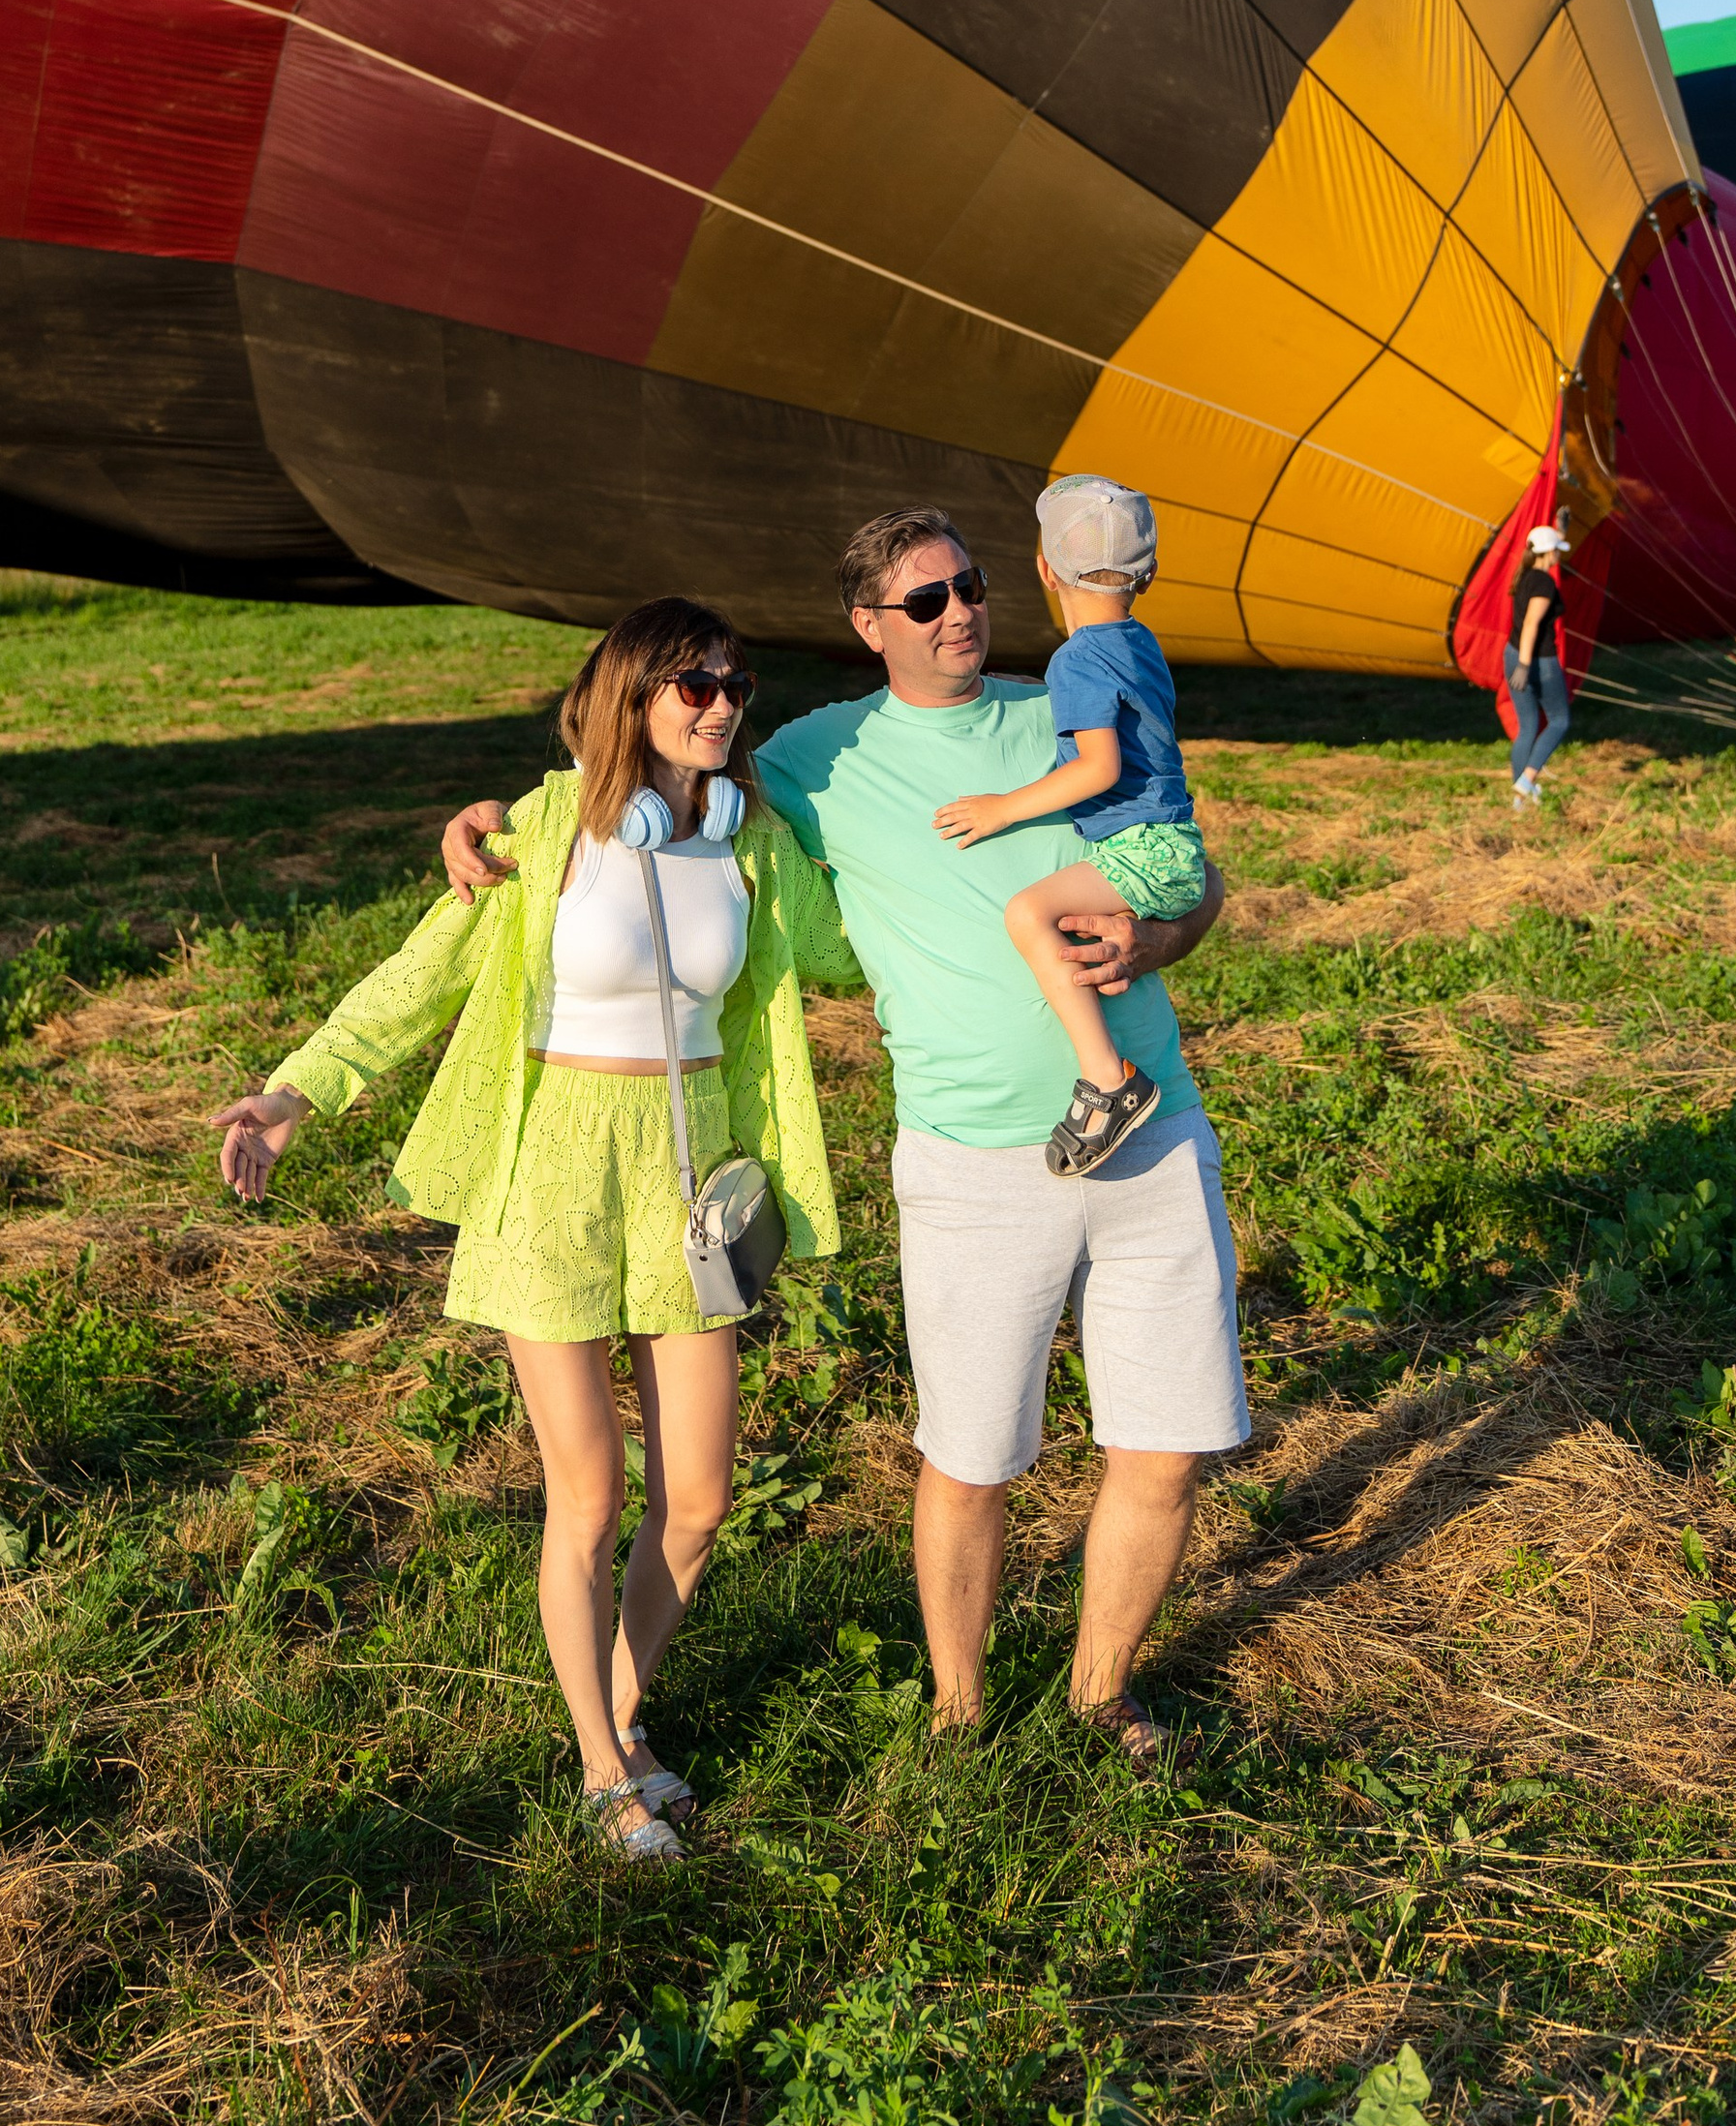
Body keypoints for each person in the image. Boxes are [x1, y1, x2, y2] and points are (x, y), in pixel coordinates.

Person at [442, 508, 1240, 1770]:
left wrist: (1161, 936)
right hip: (977, 1163)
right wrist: (501, 821)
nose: (960, 613)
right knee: (971, 1461)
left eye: (971, 587)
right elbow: (657, 800)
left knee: (1167, 1446)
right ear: (870, 628)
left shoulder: (1068, 712)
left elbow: (1187, 864)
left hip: (1151, 1134)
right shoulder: (816, 759)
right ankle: (959, 1717)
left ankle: (1101, 1694)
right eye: (924, 602)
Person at [212, 598, 857, 1867]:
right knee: (590, 1494)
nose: (721, 704)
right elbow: (423, 973)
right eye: (692, 685)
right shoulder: (545, 830)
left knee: (703, 1497)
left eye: (734, 682)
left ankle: (618, 1709)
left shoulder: (753, 842)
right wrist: (297, 1091)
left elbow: (859, 943)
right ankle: (604, 1767)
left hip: (687, 1185)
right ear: (631, 697)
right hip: (552, 1178)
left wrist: (1014, 907)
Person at [931, 474, 1206, 1180]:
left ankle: (1109, 1081)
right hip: (1175, 843)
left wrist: (1002, 807)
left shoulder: (1077, 659)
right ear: (1150, 575)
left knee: (1027, 912)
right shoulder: (1139, 643)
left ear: (1044, 569)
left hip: (1145, 844)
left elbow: (1098, 768)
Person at [1506, 522, 1570, 806]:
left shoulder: (1526, 576)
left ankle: (1520, 798)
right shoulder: (1545, 583)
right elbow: (1532, 624)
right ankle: (1527, 779)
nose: (1560, 553)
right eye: (1557, 549)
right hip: (1536, 660)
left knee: (1528, 726)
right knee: (1559, 721)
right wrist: (1524, 664)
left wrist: (1560, 531)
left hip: (1513, 652)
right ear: (1549, 552)